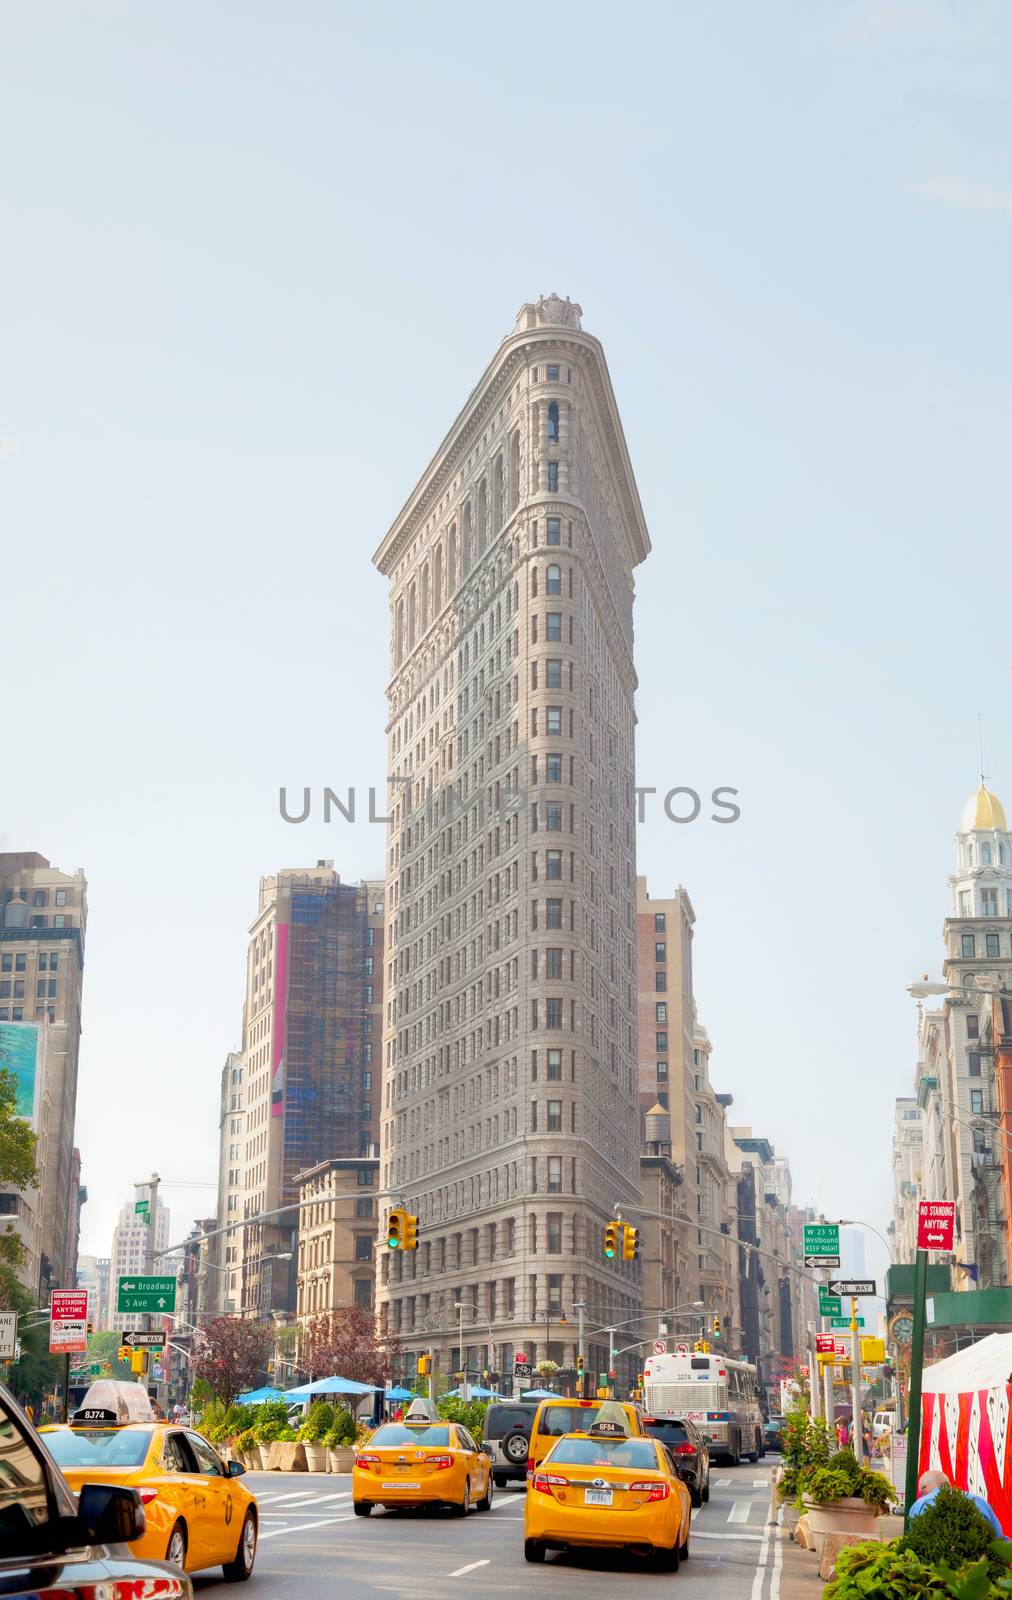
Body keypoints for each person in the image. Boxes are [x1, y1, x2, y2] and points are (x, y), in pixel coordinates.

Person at [909, 1468, 1004, 1535]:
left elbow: (915, 1540)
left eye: (921, 1493)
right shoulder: (979, 1501)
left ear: (923, 1488)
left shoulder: (920, 1504)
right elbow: (999, 1537)